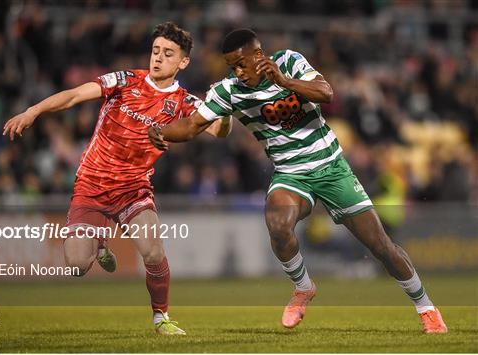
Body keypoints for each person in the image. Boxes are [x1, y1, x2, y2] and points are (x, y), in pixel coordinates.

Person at [148, 28, 447, 334]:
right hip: (291, 173)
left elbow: (326, 93)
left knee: (381, 245)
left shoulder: (290, 62)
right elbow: (193, 126)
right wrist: (160, 131)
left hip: (331, 167)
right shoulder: (228, 91)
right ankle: (303, 287)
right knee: (277, 223)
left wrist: (284, 82)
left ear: (258, 57)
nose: (237, 72)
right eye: (231, 66)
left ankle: (426, 307)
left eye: (241, 64)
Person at [3, 22, 232, 335]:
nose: (158, 58)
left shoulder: (183, 101)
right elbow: (74, 96)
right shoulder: (125, 80)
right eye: (155, 51)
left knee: (153, 251)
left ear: (183, 62)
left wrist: (226, 107)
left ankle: (161, 318)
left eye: (168, 53)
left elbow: (220, 130)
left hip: (133, 188)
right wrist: (33, 111)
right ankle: (99, 243)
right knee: (76, 265)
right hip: (91, 185)